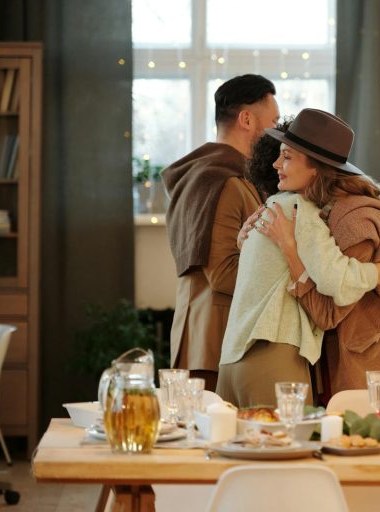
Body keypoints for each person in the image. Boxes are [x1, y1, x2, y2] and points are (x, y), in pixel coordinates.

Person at [230, 108, 380, 406]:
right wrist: (252, 244)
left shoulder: (357, 222)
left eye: (287, 157)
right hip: (351, 360)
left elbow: (328, 312)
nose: (278, 164)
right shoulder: (310, 212)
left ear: (316, 167)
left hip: (379, 364)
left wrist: (290, 251)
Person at [162, 74, 280, 391]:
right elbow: (224, 274)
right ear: (246, 119)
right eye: (274, 121)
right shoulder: (220, 181)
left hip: (217, 341)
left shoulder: (229, 177)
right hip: (212, 346)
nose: (278, 134)